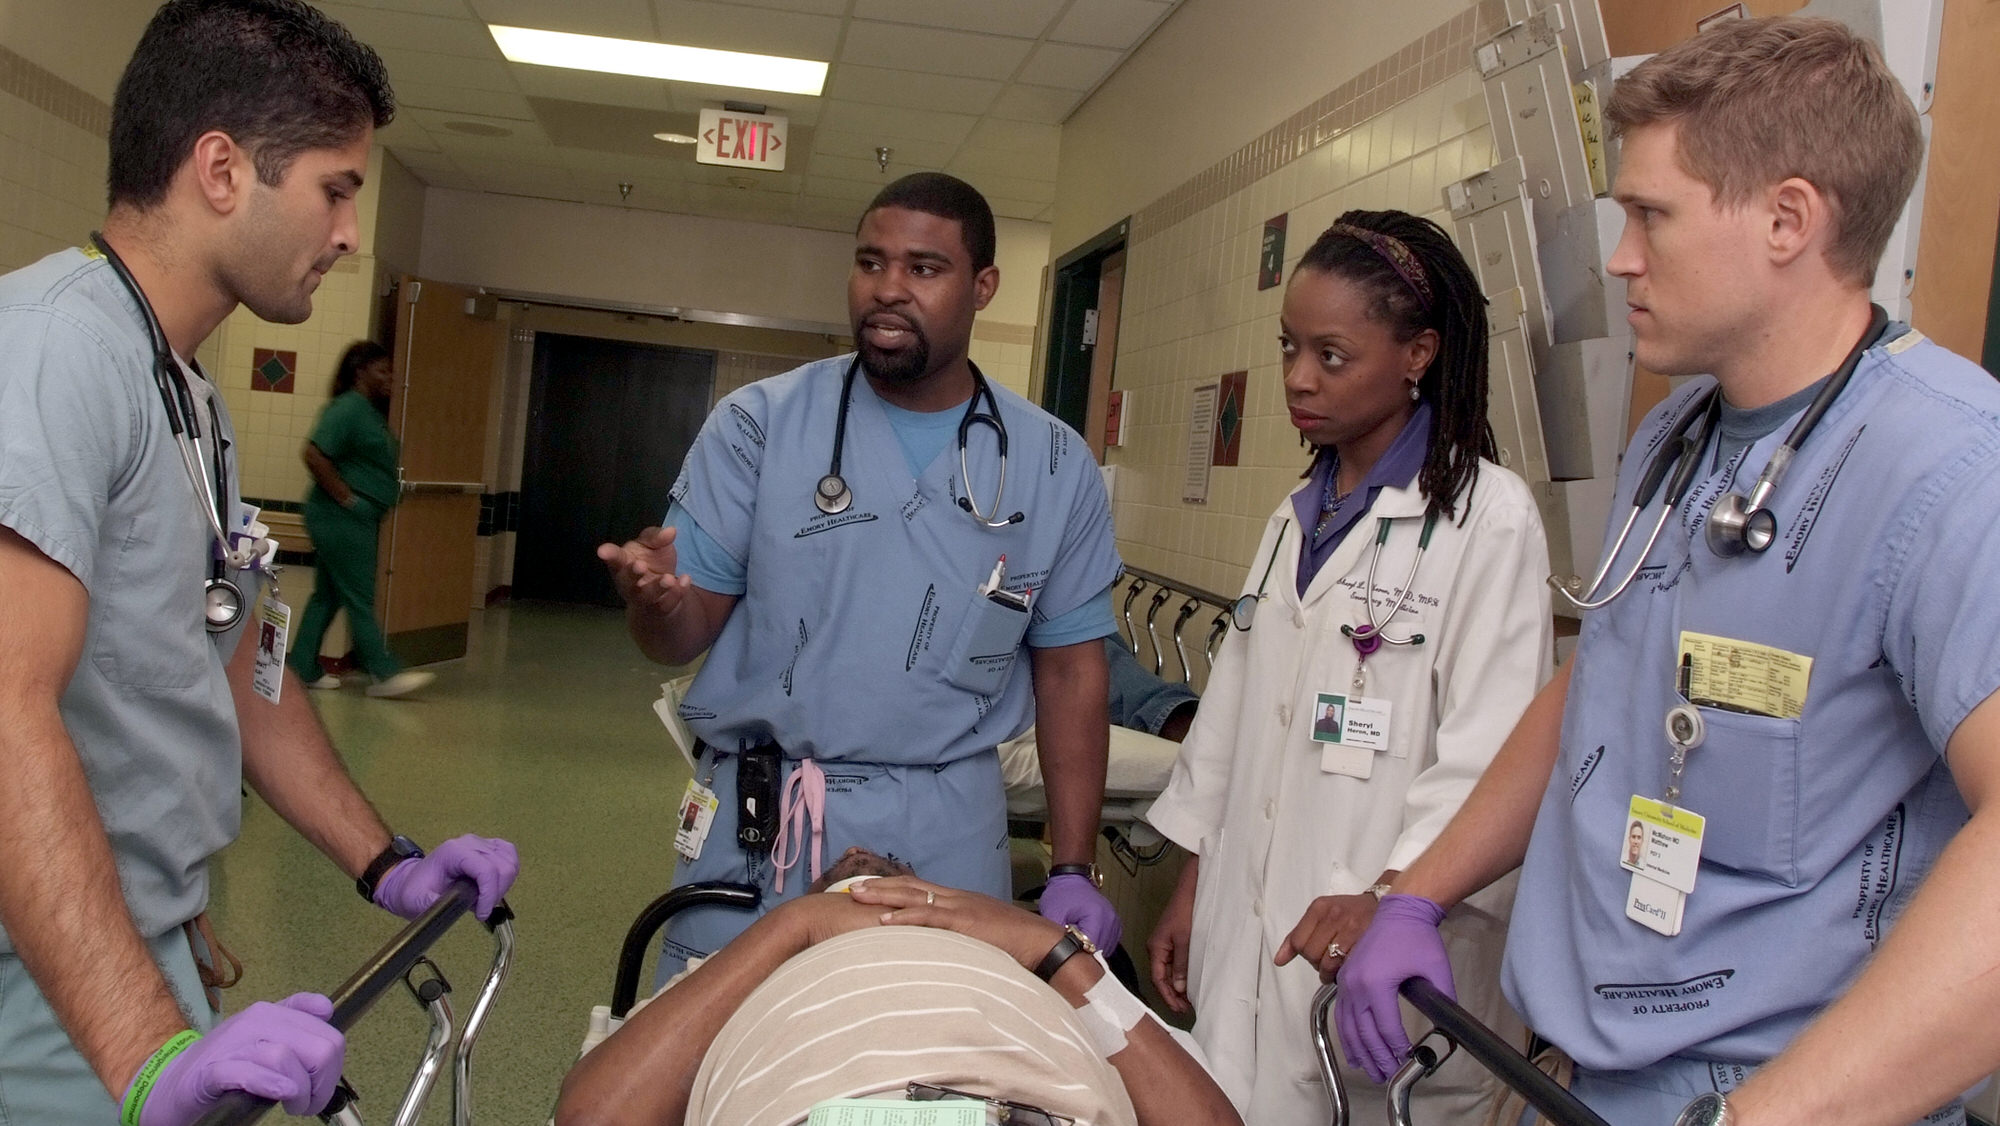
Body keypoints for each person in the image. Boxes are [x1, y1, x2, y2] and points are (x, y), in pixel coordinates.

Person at [1335, 18, 2000, 1126]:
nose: (1619, 257)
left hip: (1768, 1096)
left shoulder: (1948, 468)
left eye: (1649, 214)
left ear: (1787, 219)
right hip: (1580, 1067)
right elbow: (1600, 684)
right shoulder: (1677, 437)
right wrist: (1415, 894)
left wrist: (1763, 1119)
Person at [0, 2, 518, 1122]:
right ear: (223, 170)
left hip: (135, 938)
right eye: (336, 187)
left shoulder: (183, 393)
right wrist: (144, 1049)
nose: (346, 230)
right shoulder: (51, 354)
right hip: (43, 973)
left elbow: (245, 665)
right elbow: (4, 709)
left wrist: (387, 863)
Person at [597, 172, 1124, 979]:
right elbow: (676, 636)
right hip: (762, 820)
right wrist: (655, 602)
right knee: (725, 1080)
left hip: (948, 826)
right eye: (870, 262)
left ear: (983, 286)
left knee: (928, 1084)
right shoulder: (759, 425)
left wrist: (1073, 864)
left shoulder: (1053, 464)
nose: (887, 290)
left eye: (923, 268)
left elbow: (1072, 672)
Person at [1144, 211, 1554, 1126]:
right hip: (1250, 941)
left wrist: (1395, 894)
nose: (1297, 378)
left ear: (1418, 355)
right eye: (1290, 346)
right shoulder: (1294, 516)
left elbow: (1492, 754)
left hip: (1381, 953)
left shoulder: (1486, 518)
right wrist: (1194, 883)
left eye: (1332, 356)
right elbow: (1236, 725)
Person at [553, 867, 1243, 1126]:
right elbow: (595, 1117)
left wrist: (1045, 948)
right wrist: (795, 925)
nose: (869, 872)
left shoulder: (1013, 956)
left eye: (891, 873)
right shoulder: (762, 969)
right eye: (849, 877)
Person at [290, 339, 434, 698]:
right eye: (382, 370)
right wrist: (348, 499)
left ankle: (301, 668)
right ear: (360, 372)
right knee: (358, 595)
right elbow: (313, 454)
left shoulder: (367, 411)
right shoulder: (348, 408)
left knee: (327, 595)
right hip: (341, 517)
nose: (390, 378)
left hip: (350, 517)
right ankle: (384, 673)